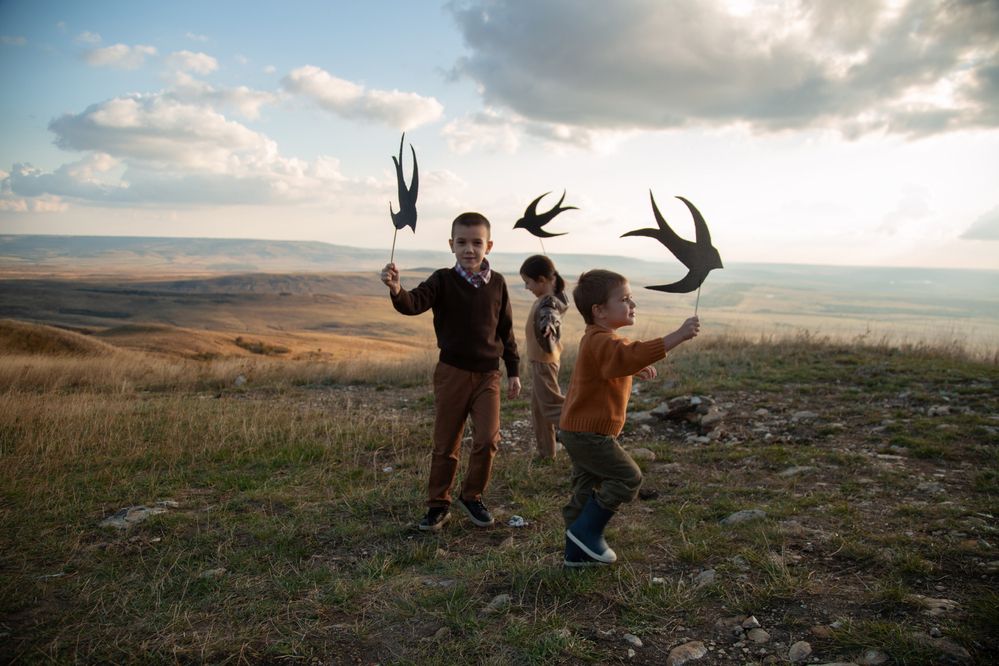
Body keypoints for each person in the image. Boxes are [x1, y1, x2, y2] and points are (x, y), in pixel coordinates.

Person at [380, 212, 521, 532]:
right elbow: (412, 303)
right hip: (452, 373)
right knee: (447, 443)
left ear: (489, 245)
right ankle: (437, 504)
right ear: (451, 245)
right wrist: (396, 288)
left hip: (488, 375)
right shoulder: (442, 279)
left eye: (476, 242)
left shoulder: (497, 283)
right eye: (462, 242)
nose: (469, 249)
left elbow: (506, 329)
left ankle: (472, 496)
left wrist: (513, 370)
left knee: (487, 439)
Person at [558, 269, 699, 566]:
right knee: (627, 477)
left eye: (631, 298)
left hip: (577, 430)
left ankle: (576, 551)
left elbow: (612, 365)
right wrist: (679, 336)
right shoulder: (602, 340)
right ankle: (586, 532)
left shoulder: (598, 339)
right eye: (624, 299)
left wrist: (631, 369)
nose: (632, 304)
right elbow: (627, 354)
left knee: (586, 485)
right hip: (589, 434)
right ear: (599, 311)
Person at [519, 254, 569, 460]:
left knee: (552, 407)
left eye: (528, 282)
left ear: (541, 280)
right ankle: (546, 454)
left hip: (544, 363)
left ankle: (587, 435)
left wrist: (548, 326)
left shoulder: (549, 301)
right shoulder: (551, 296)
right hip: (542, 361)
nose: (526, 287)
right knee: (539, 410)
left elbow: (551, 315)